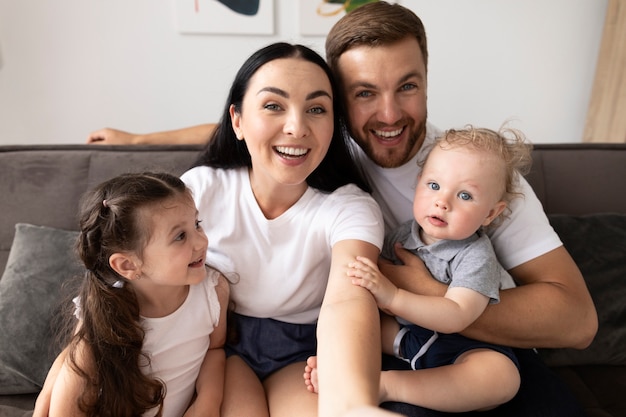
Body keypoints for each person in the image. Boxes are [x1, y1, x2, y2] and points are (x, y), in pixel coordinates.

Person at [85, 2, 598, 415]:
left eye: (408, 86)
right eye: (364, 93)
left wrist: (418, 290)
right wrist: (139, 137)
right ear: (340, 104)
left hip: (475, 352)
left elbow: (577, 323)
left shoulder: (474, 172)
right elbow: (251, 129)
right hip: (390, 346)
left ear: (427, 80)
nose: (390, 114)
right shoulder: (321, 145)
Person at [179, 42, 386, 417]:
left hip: (301, 355)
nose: (297, 127)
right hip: (218, 346)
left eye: (317, 109)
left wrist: (351, 397)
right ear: (238, 120)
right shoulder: (201, 189)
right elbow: (140, 268)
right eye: (274, 106)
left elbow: (349, 299)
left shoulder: (349, 207)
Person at [305, 125, 535, 412]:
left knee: (501, 377)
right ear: (419, 182)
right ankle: (340, 373)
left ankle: (386, 385)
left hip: (465, 345)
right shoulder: (401, 236)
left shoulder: (476, 256)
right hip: (407, 337)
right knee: (358, 323)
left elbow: (457, 315)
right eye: (434, 185)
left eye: (464, 196)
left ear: (490, 213)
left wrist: (393, 297)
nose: (442, 202)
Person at [35, 172, 229, 417]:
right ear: (128, 265)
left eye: (197, 225)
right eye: (180, 236)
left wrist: (207, 403)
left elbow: (214, 351)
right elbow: (69, 372)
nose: (201, 242)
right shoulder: (104, 309)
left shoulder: (213, 291)